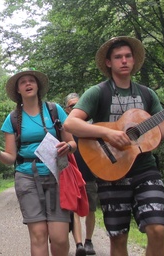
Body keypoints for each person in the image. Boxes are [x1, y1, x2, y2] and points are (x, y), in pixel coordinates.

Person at [63, 37, 164, 256]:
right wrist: (108, 133)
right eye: (118, 57)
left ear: (134, 60)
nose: (124, 61)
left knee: (157, 229)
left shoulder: (147, 94)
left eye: (128, 56)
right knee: (118, 238)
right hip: (110, 171)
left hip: (145, 170)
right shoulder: (98, 92)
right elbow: (71, 123)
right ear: (109, 62)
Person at [0, 70, 76, 256]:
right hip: (27, 176)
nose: (28, 84)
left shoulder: (55, 110)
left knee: (59, 238)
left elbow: (72, 143)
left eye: (32, 81)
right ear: (18, 90)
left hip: (57, 174)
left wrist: (68, 147)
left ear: (38, 86)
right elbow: (10, 158)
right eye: (23, 82)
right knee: (38, 235)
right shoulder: (13, 118)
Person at [64, 93, 97, 256]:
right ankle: (79, 244)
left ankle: (88, 241)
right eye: (71, 106)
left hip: (90, 174)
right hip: (72, 175)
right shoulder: (64, 128)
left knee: (91, 209)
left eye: (78, 105)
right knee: (74, 209)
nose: (75, 108)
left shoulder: (91, 127)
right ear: (66, 109)